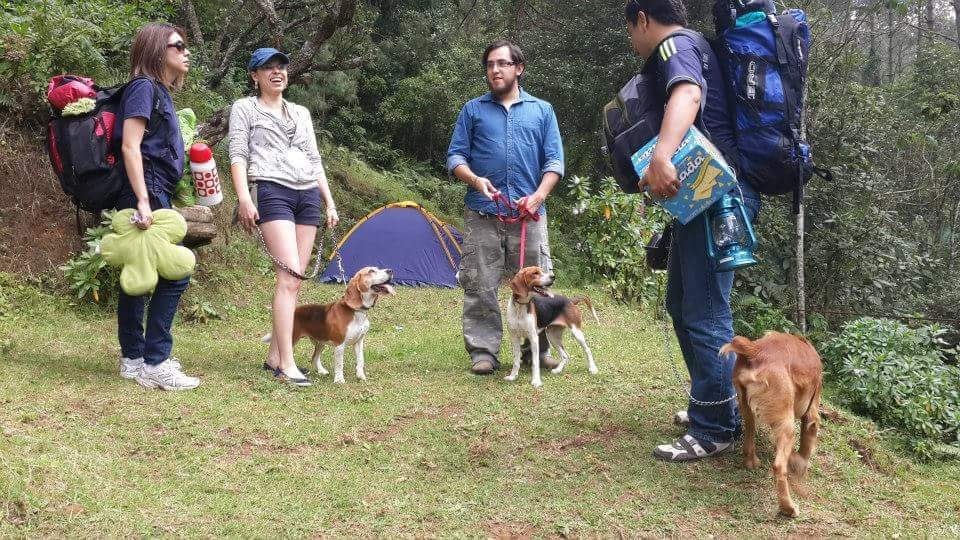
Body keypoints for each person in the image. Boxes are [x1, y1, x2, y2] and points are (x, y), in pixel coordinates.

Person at [623, 0, 762, 461]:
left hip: (717, 197)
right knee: (683, 304)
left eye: (630, 30)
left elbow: (687, 94)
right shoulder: (699, 44)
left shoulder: (673, 48)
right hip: (707, 197)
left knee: (704, 310)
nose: (632, 40)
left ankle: (715, 428)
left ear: (643, 18)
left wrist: (662, 154)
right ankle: (717, 404)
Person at [446, 40, 565, 376]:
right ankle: (483, 351)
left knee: (537, 285)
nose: (495, 70)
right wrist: (474, 180)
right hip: (483, 212)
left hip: (529, 215)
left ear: (519, 68)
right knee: (479, 283)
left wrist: (539, 195)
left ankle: (536, 351)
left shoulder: (542, 111)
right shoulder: (472, 110)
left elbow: (555, 161)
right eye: (489, 65)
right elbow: (455, 157)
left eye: (502, 63)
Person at [228, 47, 339, 386]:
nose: (277, 72)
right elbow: (238, 153)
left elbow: (314, 158)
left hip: (307, 193)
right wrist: (245, 198)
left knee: (297, 279)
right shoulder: (244, 108)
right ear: (255, 75)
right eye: (268, 68)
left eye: (281, 67)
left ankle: (275, 355)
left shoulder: (301, 113)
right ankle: (286, 364)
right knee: (288, 278)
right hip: (271, 189)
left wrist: (329, 202)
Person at [115, 23, 200, 390]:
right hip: (145, 190)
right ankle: (155, 360)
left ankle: (134, 358)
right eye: (177, 45)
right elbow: (130, 146)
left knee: (140, 275)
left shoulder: (159, 92)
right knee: (175, 272)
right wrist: (144, 201)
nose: (186, 51)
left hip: (152, 188)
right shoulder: (143, 87)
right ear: (155, 50)